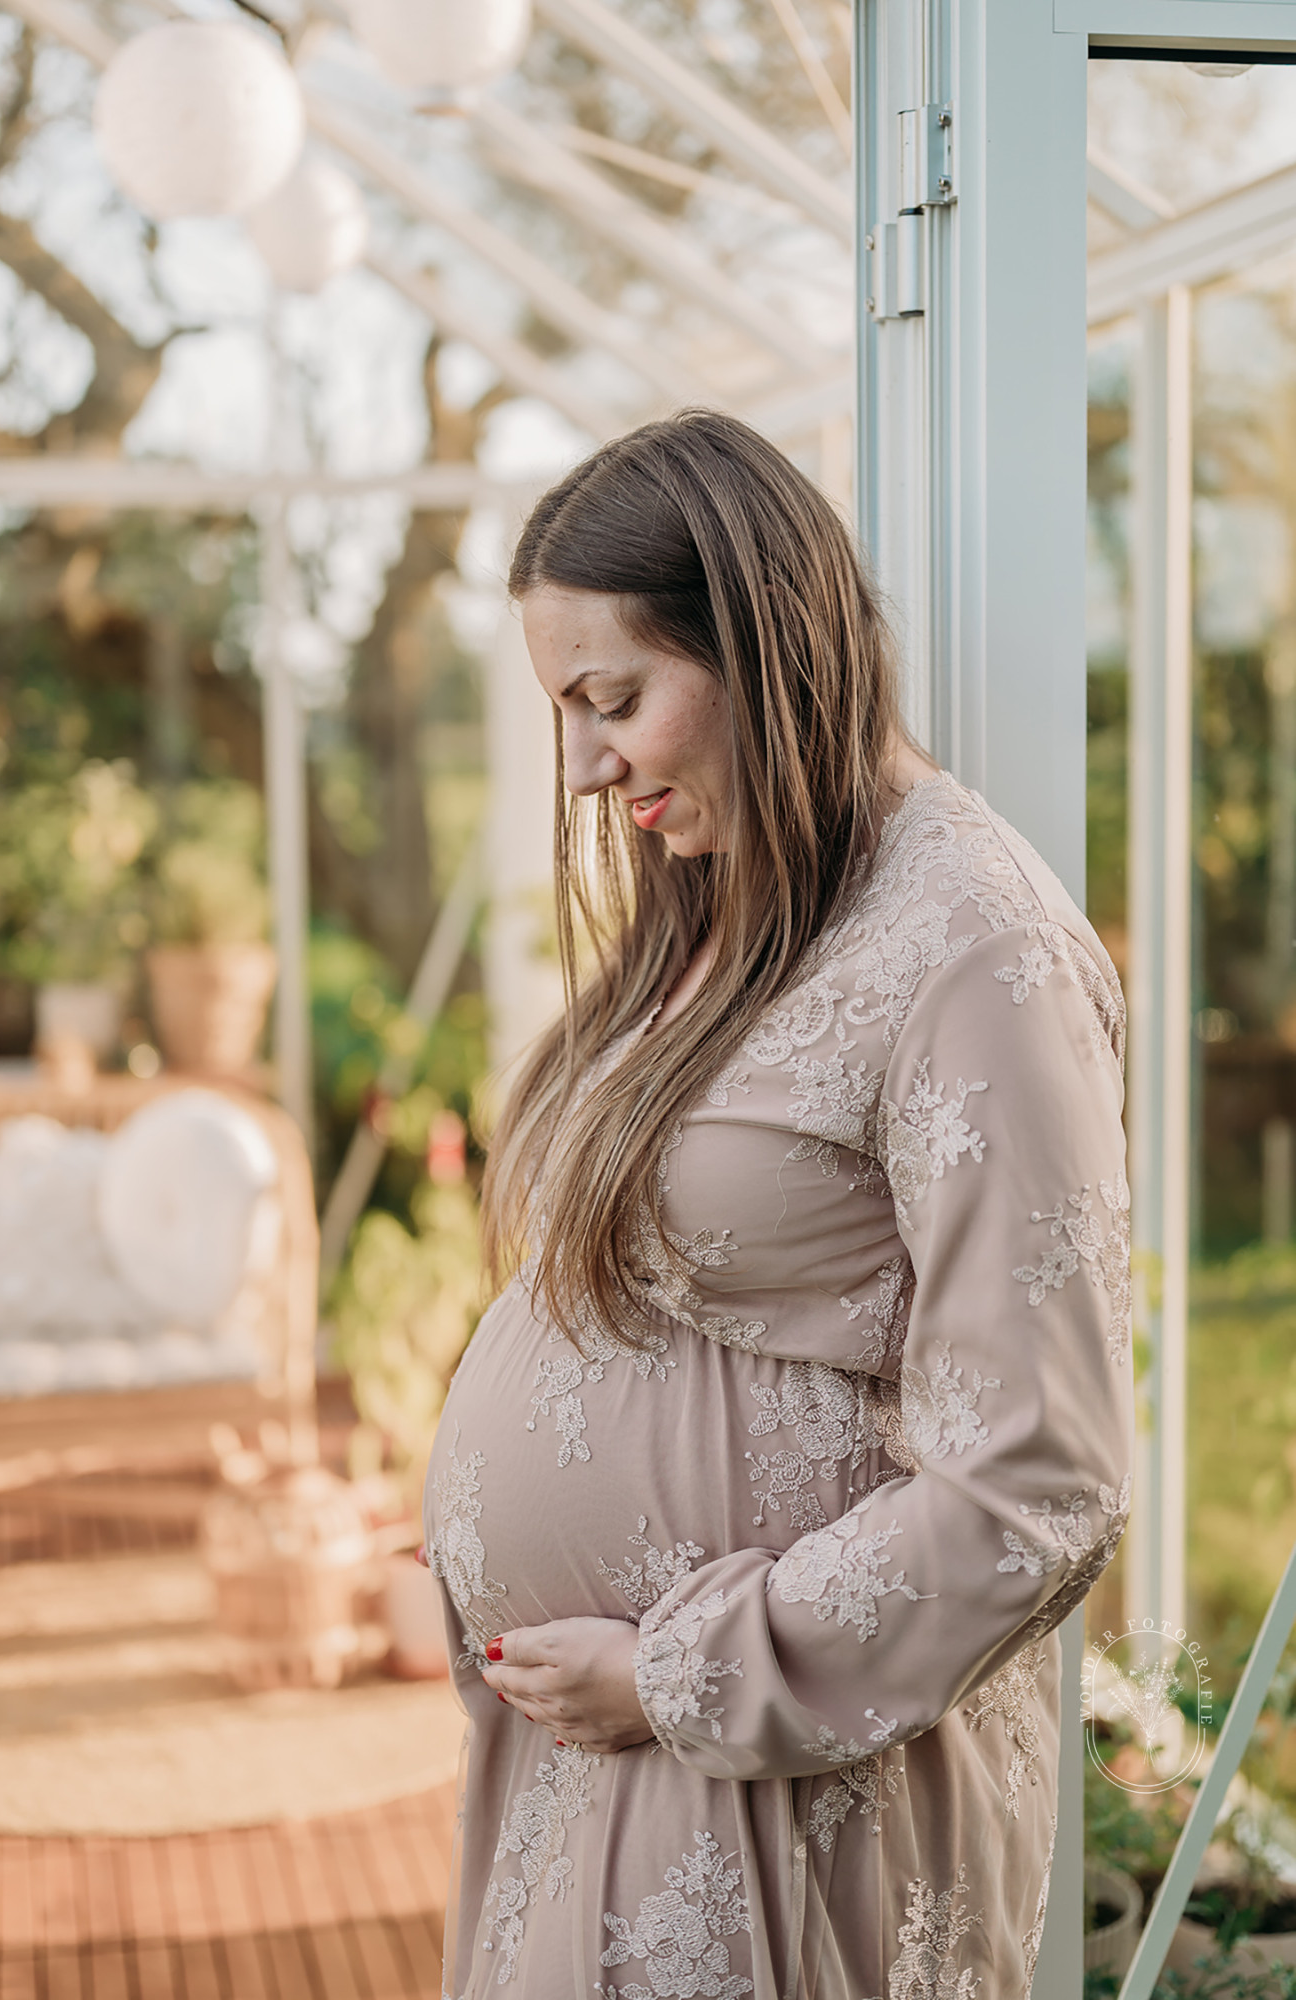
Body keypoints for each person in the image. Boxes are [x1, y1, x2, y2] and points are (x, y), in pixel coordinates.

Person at [422, 410, 1134, 2000]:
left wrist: (682, 1673)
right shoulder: (738, 901)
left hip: (778, 1779)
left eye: (614, 701)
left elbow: (1040, 1480)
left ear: (760, 641)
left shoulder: (979, 953)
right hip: (604, 1763)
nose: (583, 768)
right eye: (563, 713)